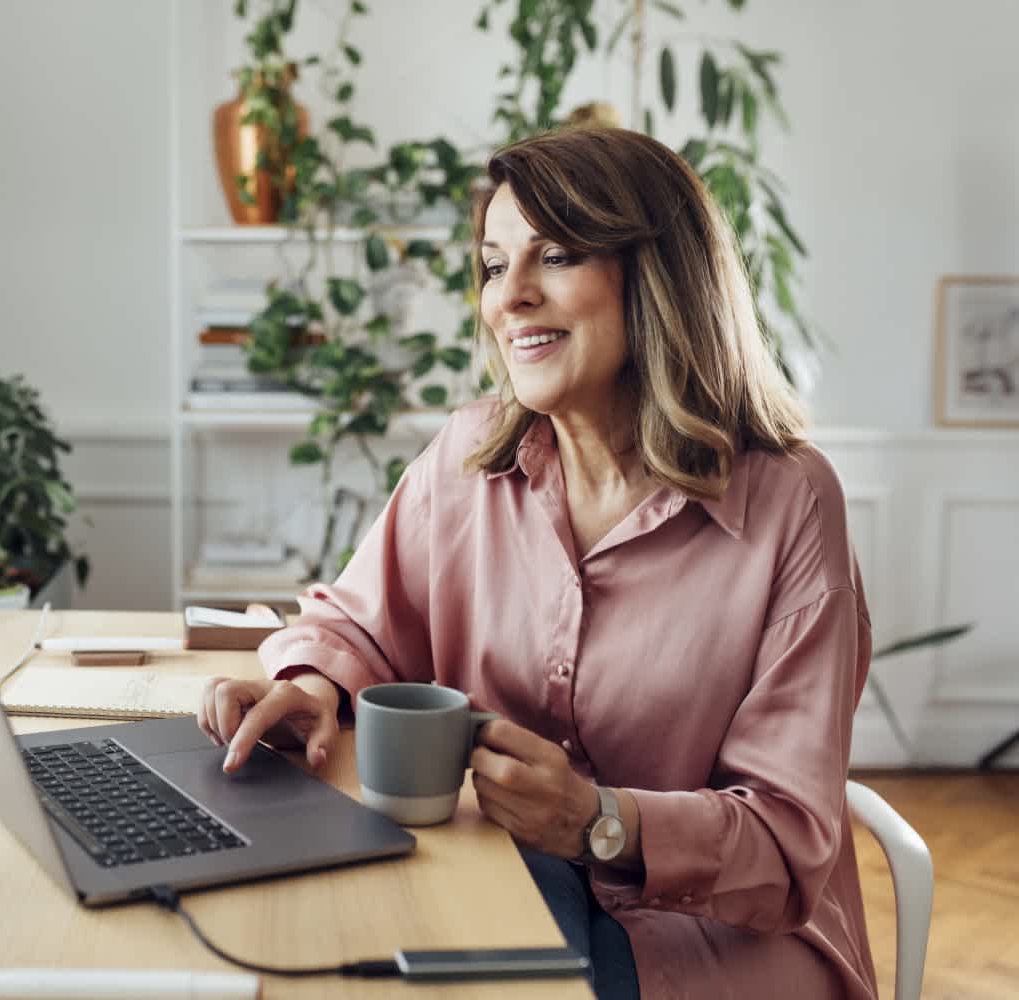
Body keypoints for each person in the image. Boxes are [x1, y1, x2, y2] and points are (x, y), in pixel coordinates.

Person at [197, 126, 878, 1000]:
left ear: (659, 278)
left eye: (555, 256)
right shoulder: (469, 455)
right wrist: (310, 687)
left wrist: (601, 822)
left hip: (714, 942)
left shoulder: (790, 502)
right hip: (504, 877)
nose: (507, 297)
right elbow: (356, 623)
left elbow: (788, 844)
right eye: (491, 264)